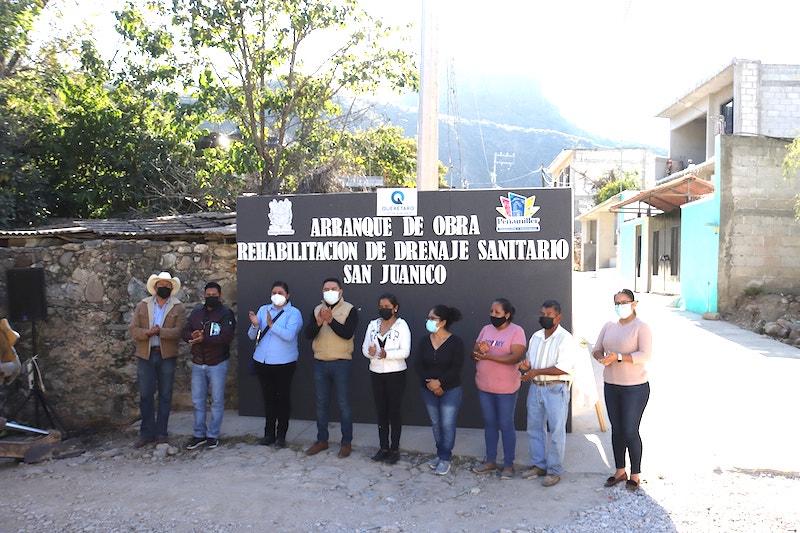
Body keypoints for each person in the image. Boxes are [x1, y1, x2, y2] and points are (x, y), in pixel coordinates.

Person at [592, 289, 652, 491]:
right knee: (616, 430)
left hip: (634, 388)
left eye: (624, 302)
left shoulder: (641, 327)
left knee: (629, 430)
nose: (620, 306)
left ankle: (635, 474)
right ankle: (619, 471)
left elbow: (644, 354)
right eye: (616, 303)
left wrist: (618, 357)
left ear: (634, 304)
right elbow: (596, 348)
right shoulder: (609, 326)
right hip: (612, 385)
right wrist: (602, 358)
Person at [518, 299, 577, 487]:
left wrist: (536, 372)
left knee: (556, 431)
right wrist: (527, 367)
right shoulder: (535, 337)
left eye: (549, 315)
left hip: (555, 388)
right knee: (535, 428)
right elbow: (530, 362)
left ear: (558, 317)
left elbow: (564, 367)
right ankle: (539, 465)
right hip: (536, 387)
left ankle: (554, 470)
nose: (544, 317)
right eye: (542, 314)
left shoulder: (565, 338)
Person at [128, 272, 186, 448]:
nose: (165, 288)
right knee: (146, 394)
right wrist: (147, 333)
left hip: (166, 355)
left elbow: (179, 332)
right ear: (155, 287)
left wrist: (160, 332)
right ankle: (146, 433)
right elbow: (133, 330)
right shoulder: (143, 305)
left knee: (165, 395)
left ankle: (161, 433)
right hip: (145, 354)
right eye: (162, 285)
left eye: (168, 286)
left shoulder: (178, 307)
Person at [471, 298, 527, 480]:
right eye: (491, 311)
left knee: (505, 424)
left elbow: (515, 357)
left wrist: (489, 357)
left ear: (507, 314)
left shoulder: (517, 331)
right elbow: (474, 354)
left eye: (497, 312)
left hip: (506, 388)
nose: (493, 315)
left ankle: (509, 465)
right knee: (489, 423)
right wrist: (481, 350)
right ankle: (490, 461)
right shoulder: (486, 330)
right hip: (484, 385)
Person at [304, 277, 359, 459]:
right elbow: (308, 334)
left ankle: (346, 443)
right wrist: (320, 322)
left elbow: (347, 333)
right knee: (321, 404)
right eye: (326, 289)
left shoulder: (350, 310)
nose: (330, 291)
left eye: (333, 288)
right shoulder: (316, 310)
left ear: (340, 291)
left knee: (344, 404)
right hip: (320, 362)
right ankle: (322, 440)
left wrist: (331, 321)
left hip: (341, 363)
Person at [248, 281, 303, 448]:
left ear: (287, 295)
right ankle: (268, 434)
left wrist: (271, 325)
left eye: (280, 292)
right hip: (263, 361)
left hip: (284, 363)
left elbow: (289, 335)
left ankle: (281, 436)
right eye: (274, 292)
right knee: (268, 399)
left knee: (283, 399)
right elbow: (252, 336)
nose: (276, 295)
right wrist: (255, 324)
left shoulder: (294, 313)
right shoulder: (263, 309)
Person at [181, 281, 236, 450]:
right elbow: (185, 331)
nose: (211, 297)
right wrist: (193, 335)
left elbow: (226, 338)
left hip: (217, 363)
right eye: (208, 295)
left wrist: (205, 339)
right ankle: (199, 434)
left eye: (214, 295)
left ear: (220, 296)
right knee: (198, 401)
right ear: (203, 295)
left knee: (217, 401)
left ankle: (213, 435)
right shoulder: (197, 313)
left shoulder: (226, 314)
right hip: (198, 363)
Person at [414, 304, 465, 476]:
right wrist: (430, 384)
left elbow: (456, 367)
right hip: (427, 389)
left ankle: (445, 458)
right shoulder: (424, 341)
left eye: (432, 318)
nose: (428, 321)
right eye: (428, 318)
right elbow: (418, 364)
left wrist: (440, 383)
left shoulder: (456, 342)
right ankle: (439, 453)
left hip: (450, 389)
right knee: (436, 423)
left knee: (447, 423)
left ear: (442, 322)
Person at [361, 293, 411, 465]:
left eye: (387, 307)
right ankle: (383, 447)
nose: (384, 310)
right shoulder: (373, 325)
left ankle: (394, 449)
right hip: (376, 372)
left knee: (394, 411)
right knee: (381, 411)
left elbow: (405, 351)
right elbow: (364, 348)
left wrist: (386, 354)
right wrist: (372, 352)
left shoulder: (402, 325)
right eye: (381, 307)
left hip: (395, 373)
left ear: (395, 308)